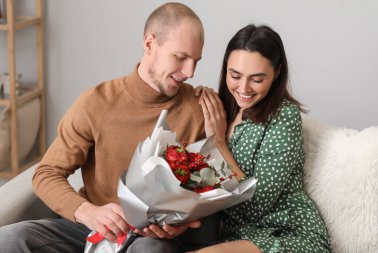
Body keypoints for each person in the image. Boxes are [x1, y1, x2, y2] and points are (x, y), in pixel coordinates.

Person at [0, 3, 220, 253]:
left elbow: (206, 189)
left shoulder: (198, 109)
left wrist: (181, 224)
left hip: (151, 239)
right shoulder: (97, 103)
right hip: (91, 229)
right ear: (149, 44)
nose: (190, 72)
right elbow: (46, 173)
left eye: (196, 60)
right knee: (8, 240)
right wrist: (88, 212)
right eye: (180, 58)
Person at [196, 24, 331, 253]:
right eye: (235, 75)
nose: (243, 88)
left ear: (277, 73)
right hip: (235, 234)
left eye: (257, 79)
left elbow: (254, 206)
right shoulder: (223, 110)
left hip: (286, 232)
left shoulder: (284, 117)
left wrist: (218, 144)